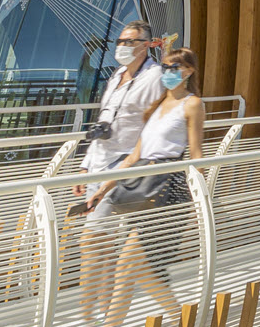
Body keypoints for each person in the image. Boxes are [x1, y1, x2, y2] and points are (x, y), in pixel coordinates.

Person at [87, 48, 207, 327]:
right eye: (164, 67)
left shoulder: (192, 104)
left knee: (130, 264)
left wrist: (200, 197)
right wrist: (103, 190)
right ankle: (183, 317)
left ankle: (178, 318)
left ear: (188, 71)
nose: (167, 73)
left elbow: (196, 153)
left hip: (169, 189)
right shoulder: (156, 106)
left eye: (174, 68)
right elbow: (132, 157)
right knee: (136, 268)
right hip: (146, 186)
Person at [76, 22, 164, 326]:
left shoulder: (155, 77)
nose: (122, 46)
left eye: (129, 41)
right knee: (106, 246)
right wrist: (85, 164)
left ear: (145, 44)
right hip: (98, 162)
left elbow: (158, 122)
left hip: (123, 166)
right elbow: (103, 119)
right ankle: (105, 315)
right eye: (120, 41)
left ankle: (88, 316)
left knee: (90, 240)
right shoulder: (116, 75)